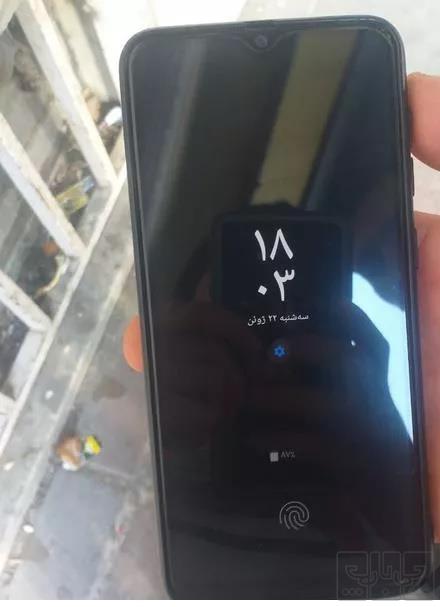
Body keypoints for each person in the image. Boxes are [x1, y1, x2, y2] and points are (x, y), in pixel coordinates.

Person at [122, 72, 440, 543]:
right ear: (197, 329)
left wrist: (388, 460)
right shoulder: (196, 456)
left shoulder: (371, 425)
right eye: (238, 328)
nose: (271, 347)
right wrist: (185, 449)